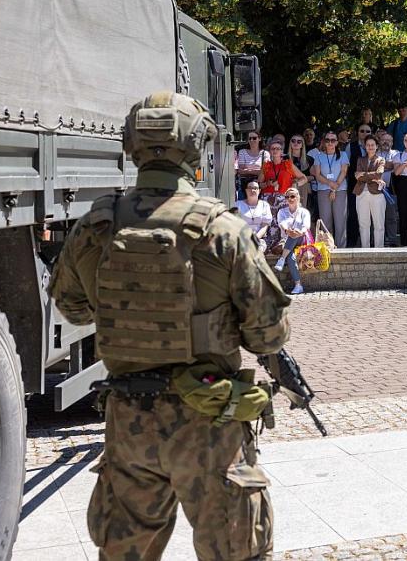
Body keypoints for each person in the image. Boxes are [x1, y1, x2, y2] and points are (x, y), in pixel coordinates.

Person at [48, 92, 289, 561]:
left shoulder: (96, 226)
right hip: (210, 421)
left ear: (130, 145)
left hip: (128, 422)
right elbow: (268, 334)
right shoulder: (223, 231)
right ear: (195, 147)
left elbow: (72, 310)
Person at [260, 137, 308, 251]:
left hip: (284, 198)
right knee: (271, 224)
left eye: (278, 149)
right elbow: (259, 184)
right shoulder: (266, 165)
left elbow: (304, 178)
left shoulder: (288, 164)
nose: (275, 151)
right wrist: (267, 183)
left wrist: (295, 184)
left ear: (282, 151)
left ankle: (283, 245)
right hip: (268, 198)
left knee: (284, 222)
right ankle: (269, 246)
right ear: (270, 151)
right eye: (273, 149)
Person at [311, 131, 349, 247]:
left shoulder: (343, 155)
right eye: (327, 140)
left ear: (337, 142)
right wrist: (330, 183)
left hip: (340, 189)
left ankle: (341, 248)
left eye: (333, 140)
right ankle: (328, 247)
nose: (330, 143)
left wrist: (335, 186)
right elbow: (317, 175)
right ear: (324, 142)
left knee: (340, 220)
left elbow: (344, 172)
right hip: (323, 190)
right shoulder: (319, 156)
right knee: (325, 220)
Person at [273, 187, 310, 295]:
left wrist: (299, 232)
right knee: (290, 257)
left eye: (292, 196)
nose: (290, 199)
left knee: (295, 233)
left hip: (301, 239)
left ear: (298, 197)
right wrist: (287, 230)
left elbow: (306, 226)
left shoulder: (304, 212)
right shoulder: (282, 211)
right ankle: (298, 285)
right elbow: (282, 224)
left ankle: (281, 259)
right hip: (286, 241)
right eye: (287, 197)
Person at [353, 135, 387, 248]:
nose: (370, 147)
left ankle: (379, 250)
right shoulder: (360, 159)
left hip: (377, 194)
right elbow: (357, 177)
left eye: (372, 145)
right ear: (365, 146)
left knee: (379, 224)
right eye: (368, 145)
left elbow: (378, 174)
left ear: (377, 146)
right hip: (361, 193)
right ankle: (365, 249)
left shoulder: (381, 160)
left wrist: (363, 174)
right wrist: (372, 177)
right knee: (363, 224)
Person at [346, 122, 373, 247]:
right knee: (353, 214)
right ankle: (352, 242)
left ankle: (369, 242)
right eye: (362, 131)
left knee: (370, 215)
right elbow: (346, 166)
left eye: (368, 131)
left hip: (371, 186)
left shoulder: (373, 146)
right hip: (354, 185)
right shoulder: (350, 147)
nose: (365, 133)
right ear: (357, 133)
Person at [236, 181, 273, 253]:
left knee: (257, 250)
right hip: (242, 238)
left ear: (259, 191)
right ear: (246, 190)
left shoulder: (264, 205)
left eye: (255, 188)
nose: (252, 190)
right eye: (250, 188)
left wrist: (255, 238)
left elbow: (265, 226)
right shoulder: (238, 204)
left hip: (259, 238)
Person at [378, 132, 399, 247]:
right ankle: (378, 240)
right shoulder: (375, 152)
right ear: (379, 141)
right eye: (383, 140)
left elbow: (394, 166)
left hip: (391, 188)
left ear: (392, 143)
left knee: (391, 216)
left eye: (388, 140)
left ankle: (392, 240)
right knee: (377, 216)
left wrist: (381, 165)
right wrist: (388, 165)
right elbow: (374, 166)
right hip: (376, 188)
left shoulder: (396, 153)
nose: (386, 142)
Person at [234, 131, 269, 199]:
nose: (251, 140)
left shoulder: (265, 153)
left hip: (259, 186)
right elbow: (240, 171)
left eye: (254, 138)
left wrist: (247, 170)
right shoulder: (242, 152)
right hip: (244, 186)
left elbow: (265, 171)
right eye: (249, 138)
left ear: (259, 139)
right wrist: (258, 171)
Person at [288, 134, 315, 218]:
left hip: (305, 191)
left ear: (302, 145)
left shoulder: (309, 159)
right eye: (293, 141)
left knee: (304, 215)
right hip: (288, 190)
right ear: (290, 143)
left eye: (299, 141)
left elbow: (314, 176)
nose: (296, 143)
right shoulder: (284, 158)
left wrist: (301, 179)